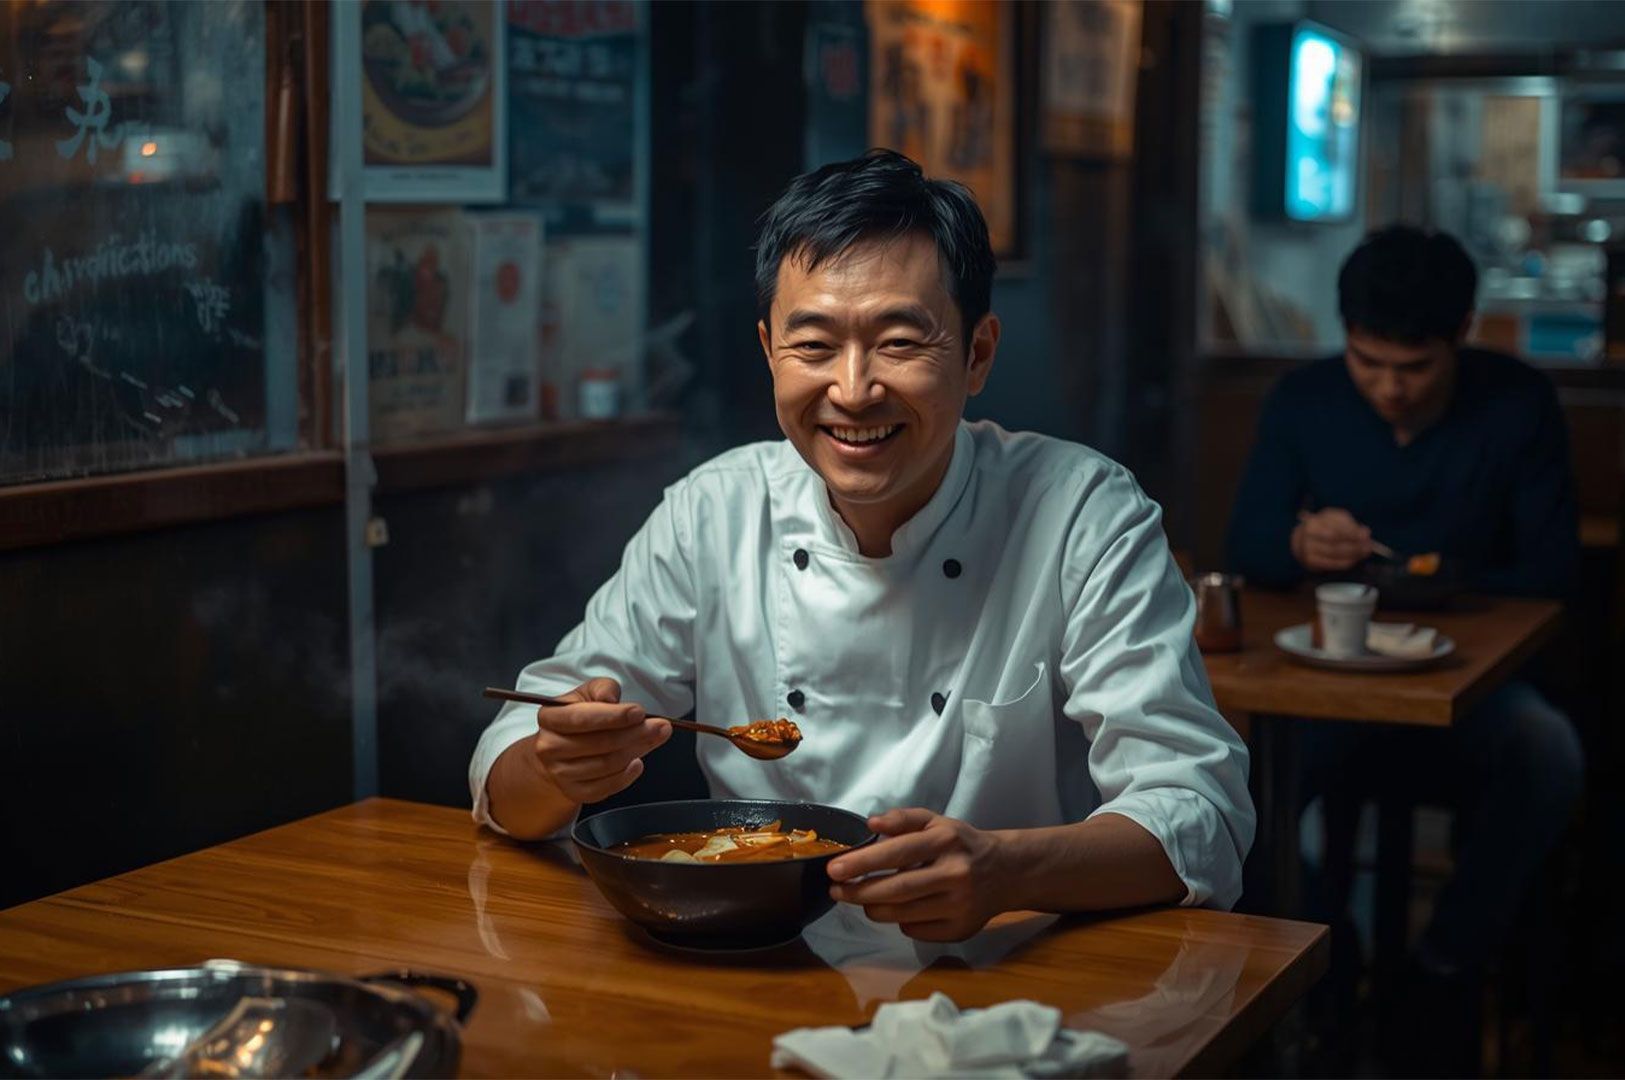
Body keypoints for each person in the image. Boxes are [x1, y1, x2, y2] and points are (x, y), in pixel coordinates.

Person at [473, 149, 1253, 942]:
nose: (851, 391)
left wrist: (1006, 871)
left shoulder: (1080, 513)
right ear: (769, 350)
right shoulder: (715, 512)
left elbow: (1199, 811)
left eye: (899, 342)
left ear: (977, 353)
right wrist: (555, 765)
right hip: (758, 963)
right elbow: (511, 765)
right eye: (812, 346)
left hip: (1013, 979)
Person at [1225, 224, 1584, 1068]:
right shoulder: (1303, 400)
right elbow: (1246, 546)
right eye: (1367, 362)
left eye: (1413, 368)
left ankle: (1438, 966)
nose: (1387, 388)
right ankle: (1328, 962)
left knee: (1549, 755)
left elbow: (1551, 569)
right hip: (1334, 685)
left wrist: (1440, 575)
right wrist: (1297, 545)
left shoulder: (1515, 402)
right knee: (1247, 792)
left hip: (1472, 689)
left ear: (1461, 332)